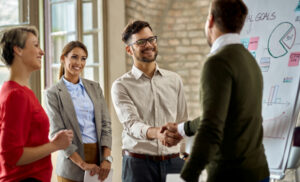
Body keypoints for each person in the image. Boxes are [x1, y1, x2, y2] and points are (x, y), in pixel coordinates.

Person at [162, 0, 270, 181]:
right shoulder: (249, 61)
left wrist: (187, 176)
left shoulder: (217, 62)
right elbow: (223, 114)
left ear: (210, 20)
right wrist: (183, 128)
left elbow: (211, 127)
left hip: (231, 175)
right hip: (259, 172)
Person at [111, 20, 188, 182]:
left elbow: (182, 120)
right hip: (138, 166)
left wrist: (186, 154)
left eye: (151, 39)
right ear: (129, 49)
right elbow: (132, 124)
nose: (149, 45)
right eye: (140, 42)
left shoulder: (174, 80)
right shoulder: (121, 85)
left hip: (175, 163)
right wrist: (157, 133)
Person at [0, 26, 73, 182]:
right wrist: (55, 145)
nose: (42, 52)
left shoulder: (21, 92)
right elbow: (13, 155)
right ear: (18, 50)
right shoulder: (16, 95)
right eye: (35, 45)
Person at [45, 41, 112, 182]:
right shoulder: (53, 93)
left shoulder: (95, 87)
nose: (79, 63)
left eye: (83, 58)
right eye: (74, 57)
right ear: (63, 58)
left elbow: (106, 125)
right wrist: (82, 163)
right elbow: (57, 132)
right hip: (71, 165)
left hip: (99, 162)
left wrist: (107, 158)